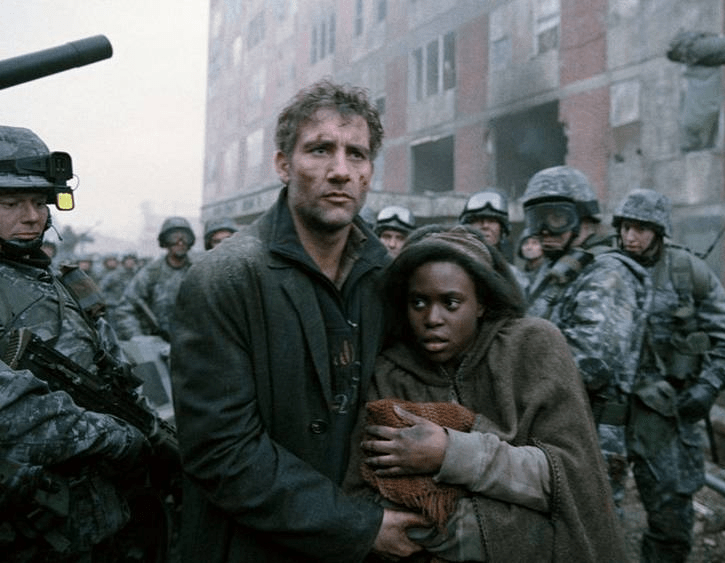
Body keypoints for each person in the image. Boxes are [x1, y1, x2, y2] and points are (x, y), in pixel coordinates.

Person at [169, 79, 428, 562]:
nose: (340, 171)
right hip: (250, 548)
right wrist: (360, 527)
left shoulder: (388, 279)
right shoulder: (224, 278)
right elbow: (220, 452)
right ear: (283, 165)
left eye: (356, 154)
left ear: (370, 171)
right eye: (320, 150)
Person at [343, 224, 628, 562]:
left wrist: (450, 453)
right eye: (418, 302)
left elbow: (571, 479)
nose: (432, 318)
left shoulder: (532, 348)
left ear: (481, 303)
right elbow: (373, 501)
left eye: (451, 302)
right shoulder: (390, 372)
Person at [0, 126, 151, 560]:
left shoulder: (63, 281)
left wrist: (141, 427)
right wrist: (115, 437)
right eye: (11, 203)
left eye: (39, 202)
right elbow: (12, 414)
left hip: (91, 517)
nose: (32, 217)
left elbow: (115, 371)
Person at [612, 188, 725, 562]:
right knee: (592, 515)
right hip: (607, 414)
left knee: (671, 524)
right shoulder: (604, 270)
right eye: (625, 227)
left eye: (641, 229)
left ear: (659, 231)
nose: (630, 237)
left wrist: (708, 387)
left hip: (665, 416)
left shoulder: (686, 272)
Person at [521, 165, 652, 519]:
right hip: (556, 424)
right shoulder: (561, 269)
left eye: (556, 218)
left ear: (585, 218)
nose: (543, 230)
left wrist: (514, 364)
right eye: (536, 219)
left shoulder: (608, 273)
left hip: (591, 435)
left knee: (588, 528)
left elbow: (592, 363)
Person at [115, 216, 195, 341]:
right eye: (174, 238)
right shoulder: (150, 273)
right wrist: (138, 338)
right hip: (158, 343)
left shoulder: (198, 270)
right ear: (165, 242)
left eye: (185, 238)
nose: (180, 243)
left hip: (194, 342)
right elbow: (125, 309)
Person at [459, 188, 529, 291]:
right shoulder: (454, 269)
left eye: (492, 220)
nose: (485, 225)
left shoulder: (515, 278)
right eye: (478, 220)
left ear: (502, 230)